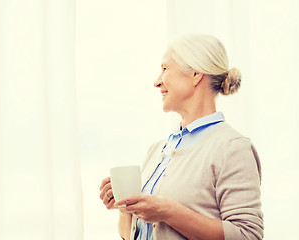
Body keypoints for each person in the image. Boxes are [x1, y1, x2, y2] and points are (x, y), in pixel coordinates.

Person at [99, 34, 263, 240]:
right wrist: (125, 207)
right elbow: (132, 235)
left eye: (165, 69)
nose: (157, 82)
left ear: (195, 74)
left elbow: (247, 235)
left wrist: (168, 212)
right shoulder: (158, 149)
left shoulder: (232, 147)